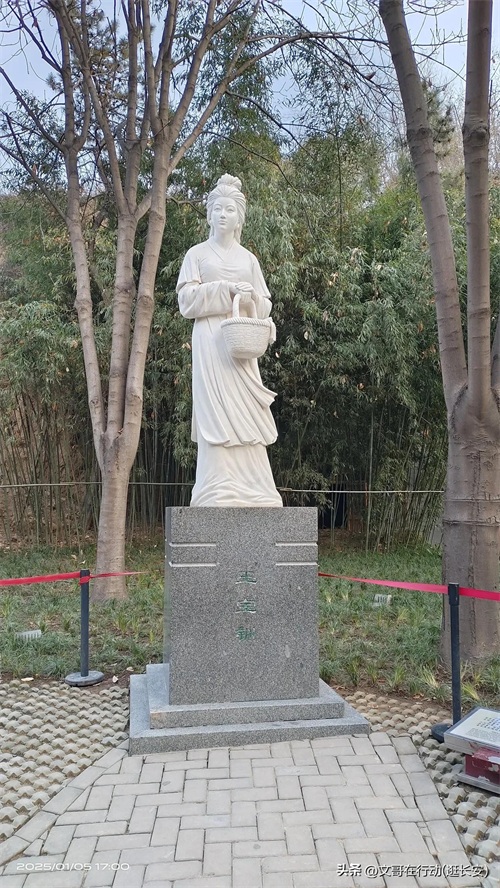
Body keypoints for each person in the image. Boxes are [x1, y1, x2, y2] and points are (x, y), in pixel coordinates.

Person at [176, 174, 282, 507]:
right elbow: (186, 301)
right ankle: (215, 487)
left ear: (240, 219)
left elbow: (265, 304)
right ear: (209, 215)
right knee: (216, 413)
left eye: (230, 210)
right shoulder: (196, 254)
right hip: (210, 343)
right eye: (218, 209)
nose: (223, 215)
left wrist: (251, 299)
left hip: (241, 346)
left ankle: (255, 486)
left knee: (246, 412)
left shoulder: (248, 259)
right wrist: (226, 290)